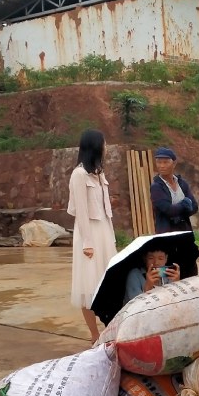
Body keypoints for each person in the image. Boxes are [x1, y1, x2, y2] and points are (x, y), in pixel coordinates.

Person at [67, 128, 116, 342]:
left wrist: (112, 237)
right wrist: (87, 243)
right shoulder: (78, 175)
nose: (105, 147)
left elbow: (106, 211)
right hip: (89, 235)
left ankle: (109, 330)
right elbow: (82, 211)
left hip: (104, 231)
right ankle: (94, 334)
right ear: (95, 146)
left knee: (107, 283)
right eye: (103, 143)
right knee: (88, 286)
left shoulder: (98, 174)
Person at [150, 147, 199, 276]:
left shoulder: (182, 184)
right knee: (169, 273)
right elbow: (168, 210)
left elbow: (194, 206)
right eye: (159, 162)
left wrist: (183, 208)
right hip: (167, 237)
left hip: (185, 234)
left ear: (174, 163)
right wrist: (184, 204)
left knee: (190, 272)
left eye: (166, 162)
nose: (162, 166)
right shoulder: (156, 187)